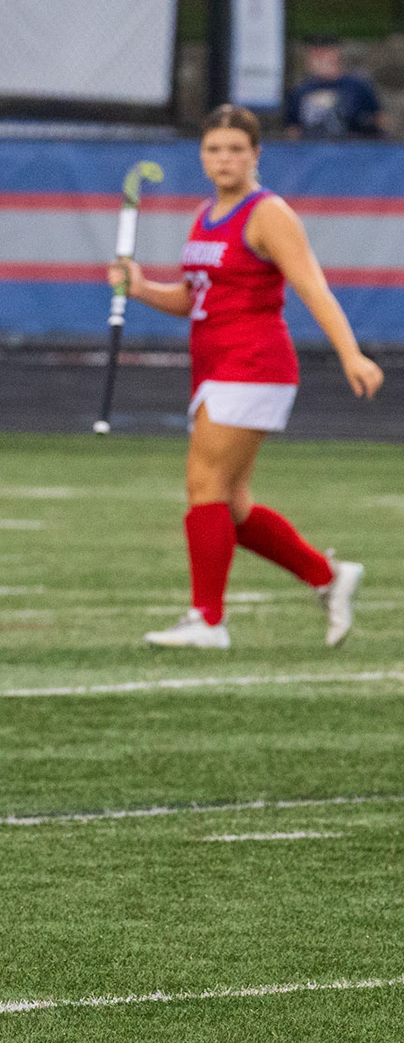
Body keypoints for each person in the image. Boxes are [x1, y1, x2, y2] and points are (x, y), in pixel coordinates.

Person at [116, 105, 382, 650]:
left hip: (253, 363)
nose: (224, 160)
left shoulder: (269, 214)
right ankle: (328, 577)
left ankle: (207, 620)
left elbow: (312, 287)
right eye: (214, 149)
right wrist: (140, 289)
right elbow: (193, 297)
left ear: (256, 155)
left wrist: (351, 354)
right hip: (214, 365)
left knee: (204, 487)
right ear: (202, 155)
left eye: (236, 150)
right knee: (231, 503)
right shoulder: (205, 213)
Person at [284, 35, 387, 140]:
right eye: (313, 56)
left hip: (353, 146)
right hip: (313, 147)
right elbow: (293, 128)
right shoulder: (301, 91)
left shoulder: (358, 87)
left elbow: (380, 120)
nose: (317, 60)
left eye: (322, 54)